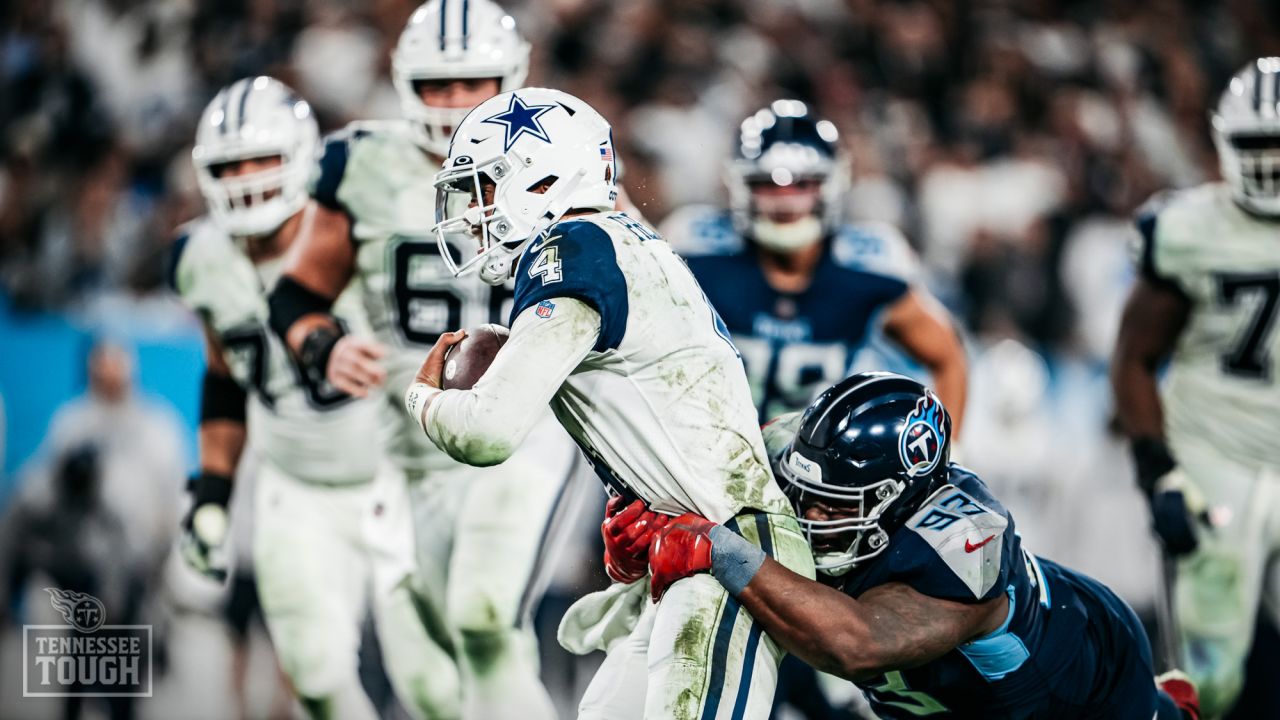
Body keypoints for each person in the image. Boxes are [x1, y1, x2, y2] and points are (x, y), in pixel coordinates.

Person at [403, 86, 816, 720]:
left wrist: (421, 396)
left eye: (487, 187)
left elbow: (487, 432)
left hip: (730, 553)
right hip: (692, 547)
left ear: (541, 182)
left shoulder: (573, 249)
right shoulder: (611, 242)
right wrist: (639, 499)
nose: (475, 209)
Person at [266, 4, 576, 717]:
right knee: (433, 683)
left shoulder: (563, 156)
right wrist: (326, 344)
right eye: (437, 84)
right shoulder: (360, 163)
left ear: (513, 77)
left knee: (483, 612)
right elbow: (295, 296)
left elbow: (631, 281)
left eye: (473, 82)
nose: (455, 102)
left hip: (526, 434)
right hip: (411, 448)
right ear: (406, 82)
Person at [643, 372, 1202, 719]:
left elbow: (855, 644)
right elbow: (711, 468)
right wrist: (642, 519)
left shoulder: (967, 545)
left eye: (836, 506)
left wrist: (717, 548)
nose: (810, 516)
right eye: (805, 494)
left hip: (1079, 688)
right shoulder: (811, 453)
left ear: (900, 499)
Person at [173, 76, 456, 720]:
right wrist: (213, 492)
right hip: (294, 484)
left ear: (301, 157)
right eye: (229, 164)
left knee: (434, 686)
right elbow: (223, 375)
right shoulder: (198, 257)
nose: (246, 176)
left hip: (394, 479)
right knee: (314, 673)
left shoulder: (351, 237)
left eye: (263, 158)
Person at [1112, 57, 1280, 719]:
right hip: (1215, 456)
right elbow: (1134, 357)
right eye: (1257, 147)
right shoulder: (1187, 230)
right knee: (1208, 679)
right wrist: (1159, 472)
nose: (1270, 164)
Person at [661, 100, 967, 426]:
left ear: (830, 185)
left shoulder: (870, 266)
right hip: (701, 448)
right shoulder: (696, 249)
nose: (786, 201)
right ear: (742, 186)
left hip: (813, 463)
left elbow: (948, 358)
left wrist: (948, 449)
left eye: (802, 185)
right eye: (769, 185)